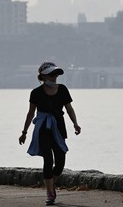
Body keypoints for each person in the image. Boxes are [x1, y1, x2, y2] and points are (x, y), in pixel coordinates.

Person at [19, 62, 81, 205]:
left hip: (58, 127)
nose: (54, 77)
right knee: (48, 159)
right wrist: (24, 132)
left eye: (56, 74)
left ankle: (50, 184)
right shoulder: (36, 93)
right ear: (43, 76)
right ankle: (50, 193)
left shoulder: (63, 89)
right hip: (42, 128)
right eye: (51, 74)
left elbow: (69, 109)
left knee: (60, 161)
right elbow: (30, 113)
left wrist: (75, 123)